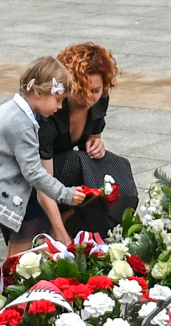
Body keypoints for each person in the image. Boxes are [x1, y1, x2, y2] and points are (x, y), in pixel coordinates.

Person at [0, 57, 86, 256]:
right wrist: (64, 194)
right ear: (38, 93)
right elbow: (33, 172)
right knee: (31, 224)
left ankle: (17, 269)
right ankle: (12, 277)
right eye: (58, 100)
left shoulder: (13, 109)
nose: (60, 107)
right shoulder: (22, 123)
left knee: (32, 222)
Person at [37, 43, 137, 239]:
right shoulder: (51, 110)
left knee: (118, 167)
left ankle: (105, 223)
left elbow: (93, 136)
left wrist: (96, 144)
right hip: (37, 173)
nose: (88, 98)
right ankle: (62, 224)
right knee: (80, 163)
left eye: (95, 90)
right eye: (79, 90)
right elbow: (42, 180)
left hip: (66, 168)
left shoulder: (100, 99)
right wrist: (59, 232)